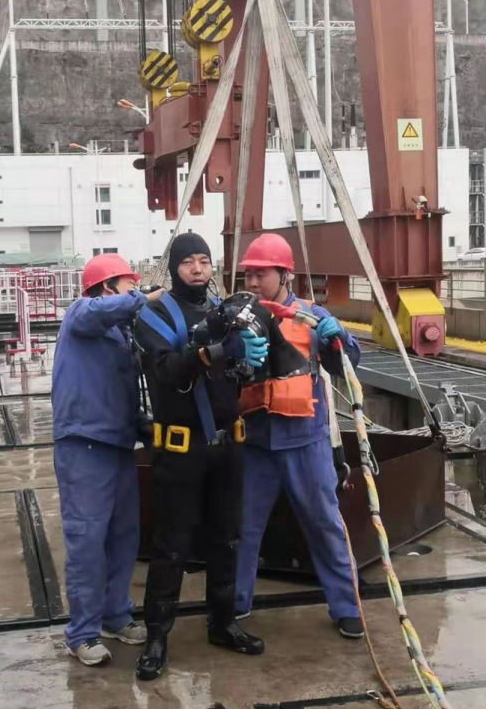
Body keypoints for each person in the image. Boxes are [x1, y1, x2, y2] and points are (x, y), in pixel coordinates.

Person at [133, 233, 268, 681]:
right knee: (171, 546)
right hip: (180, 449)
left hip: (227, 447)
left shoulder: (225, 312)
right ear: (174, 267)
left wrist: (247, 359)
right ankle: (156, 637)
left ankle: (223, 623)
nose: (197, 269)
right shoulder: (154, 315)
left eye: (204, 261)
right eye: (188, 261)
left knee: (227, 539)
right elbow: (169, 371)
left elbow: (243, 369)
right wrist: (217, 350)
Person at [234, 233, 364, 639]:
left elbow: (348, 364)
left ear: (285, 274)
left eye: (261, 274)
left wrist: (338, 336)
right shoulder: (240, 317)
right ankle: (235, 604)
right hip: (256, 442)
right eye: (248, 275)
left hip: (305, 441)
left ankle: (346, 607)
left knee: (325, 524)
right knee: (243, 529)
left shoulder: (311, 317)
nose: (252, 282)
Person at [52, 253, 164, 667]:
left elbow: (120, 393)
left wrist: (145, 426)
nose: (134, 289)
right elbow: (95, 311)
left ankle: (115, 616)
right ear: (106, 287)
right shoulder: (80, 315)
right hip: (83, 446)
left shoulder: (119, 335)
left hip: (117, 445)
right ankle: (81, 633)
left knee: (123, 536)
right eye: (128, 283)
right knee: (87, 540)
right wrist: (142, 298)